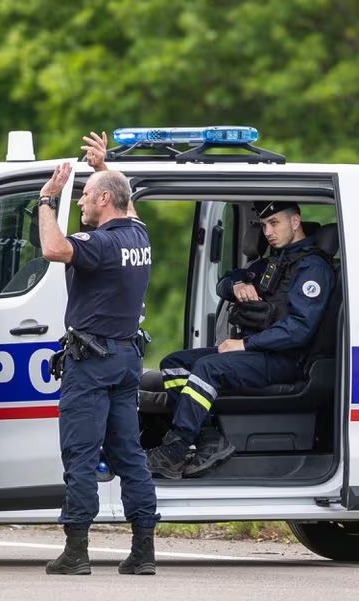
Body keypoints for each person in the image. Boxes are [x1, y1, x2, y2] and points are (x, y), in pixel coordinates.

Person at [146, 201, 335, 479]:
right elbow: (224, 282)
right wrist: (238, 285)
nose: (267, 231)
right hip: (258, 355)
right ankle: (210, 438)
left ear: (295, 222)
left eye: (275, 223)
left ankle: (176, 449)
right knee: (174, 363)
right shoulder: (273, 262)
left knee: (208, 368)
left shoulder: (313, 268)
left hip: (287, 360)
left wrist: (245, 345)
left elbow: (299, 329)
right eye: (263, 225)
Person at [37, 159, 159, 576]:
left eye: (87, 194)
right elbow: (129, 207)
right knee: (129, 455)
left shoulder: (100, 242)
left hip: (90, 364)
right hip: (125, 360)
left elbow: (53, 248)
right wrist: (105, 168)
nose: (83, 201)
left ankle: (76, 551)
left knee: (81, 456)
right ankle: (144, 551)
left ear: (105, 200)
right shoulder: (137, 235)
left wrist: (46, 199)